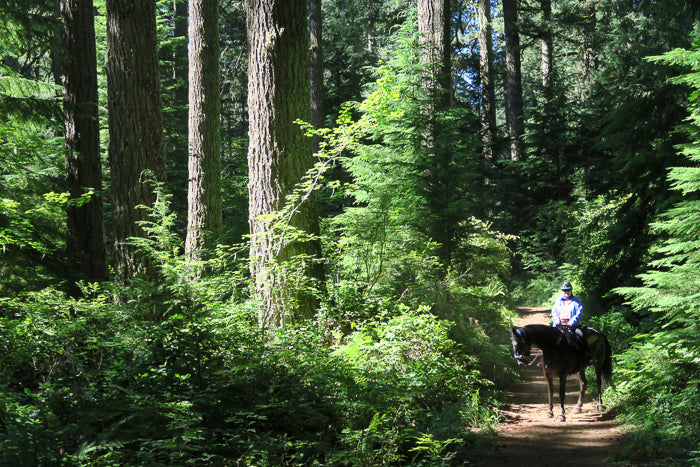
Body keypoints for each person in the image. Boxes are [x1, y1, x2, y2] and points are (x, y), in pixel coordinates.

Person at [551, 281, 592, 362]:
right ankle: (547, 358)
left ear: (571, 290)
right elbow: (554, 312)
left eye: (568, 290)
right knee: (549, 337)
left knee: (580, 335)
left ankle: (586, 355)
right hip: (558, 325)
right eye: (564, 290)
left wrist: (570, 323)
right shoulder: (558, 301)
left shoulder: (576, 301)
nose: (566, 292)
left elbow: (579, 314)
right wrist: (557, 321)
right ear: (561, 291)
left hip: (572, 325)